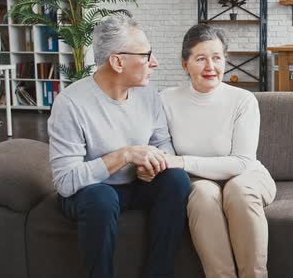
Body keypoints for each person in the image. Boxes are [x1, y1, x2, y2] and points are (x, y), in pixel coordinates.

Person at [48, 16, 190, 278]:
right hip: (91, 194)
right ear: (117, 61)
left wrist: (152, 167)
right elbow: (65, 182)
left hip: (135, 186)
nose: (154, 63)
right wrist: (124, 155)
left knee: (176, 179)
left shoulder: (148, 94)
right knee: (101, 198)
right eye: (146, 55)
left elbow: (163, 145)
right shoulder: (70, 104)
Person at [159, 24, 276, 278]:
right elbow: (161, 151)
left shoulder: (243, 100)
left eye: (217, 58)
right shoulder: (166, 99)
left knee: (239, 190)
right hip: (200, 181)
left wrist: (181, 161)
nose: (210, 66)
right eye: (201, 58)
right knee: (201, 194)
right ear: (185, 64)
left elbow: (242, 163)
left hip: (248, 177)